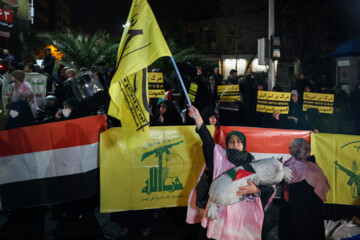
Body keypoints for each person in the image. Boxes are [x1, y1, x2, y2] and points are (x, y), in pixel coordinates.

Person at [186, 105, 274, 240]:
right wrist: (198, 119)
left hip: (242, 216)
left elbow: (267, 187)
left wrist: (255, 189)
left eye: (239, 141)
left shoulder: (252, 164)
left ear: (244, 145)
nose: (235, 144)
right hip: (220, 213)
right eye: (231, 141)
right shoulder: (220, 156)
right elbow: (208, 141)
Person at [278, 138, 330, 240]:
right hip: (296, 213)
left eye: (293, 147)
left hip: (303, 215)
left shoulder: (311, 169)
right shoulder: (292, 164)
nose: (290, 149)